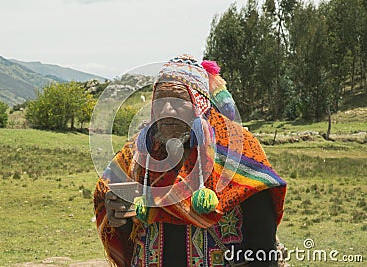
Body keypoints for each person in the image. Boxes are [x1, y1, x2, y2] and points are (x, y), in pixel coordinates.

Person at [93, 55, 287, 267]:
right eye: (160, 99)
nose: (167, 109)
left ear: (200, 103)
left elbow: (262, 240)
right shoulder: (137, 154)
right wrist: (118, 215)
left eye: (178, 100)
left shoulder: (237, 149)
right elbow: (127, 224)